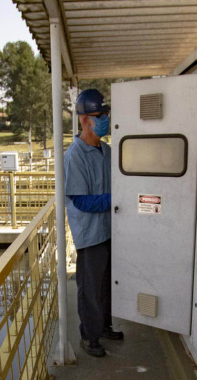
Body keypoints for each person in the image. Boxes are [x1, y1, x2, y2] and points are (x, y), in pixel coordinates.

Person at [65, 89, 124, 357]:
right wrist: (115, 199)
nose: (105, 120)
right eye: (100, 115)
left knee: (108, 283)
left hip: (112, 229)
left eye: (106, 115)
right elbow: (80, 200)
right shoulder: (74, 157)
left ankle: (105, 326)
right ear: (84, 119)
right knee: (89, 288)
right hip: (89, 235)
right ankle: (90, 337)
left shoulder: (108, 151)